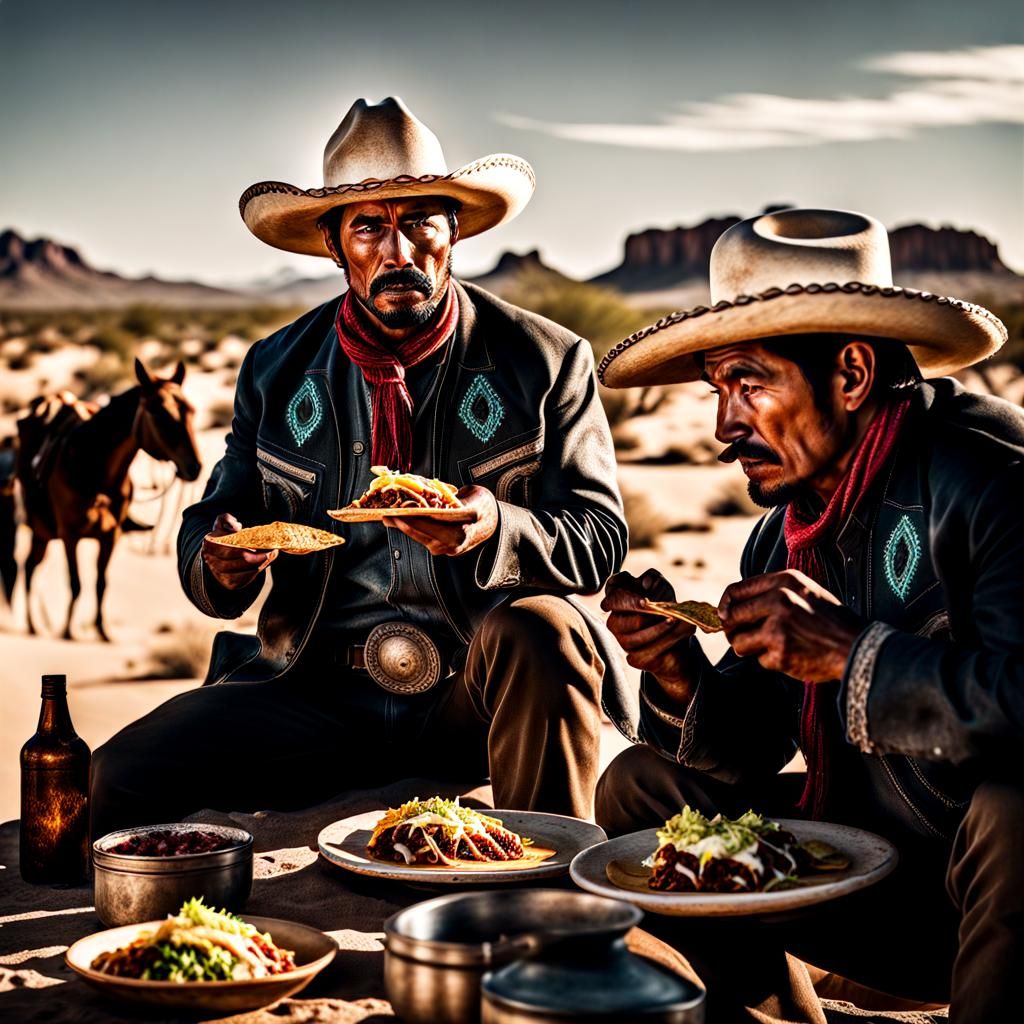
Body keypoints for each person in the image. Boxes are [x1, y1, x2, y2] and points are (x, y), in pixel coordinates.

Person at [90, 97, 629, 837]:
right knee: (116, 776)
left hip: (474, 699)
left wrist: (494, 527)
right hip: (314, 694)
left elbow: (600, 537)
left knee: (544, 628)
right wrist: (219, 560)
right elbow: (211, 521)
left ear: (455, 229)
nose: (398, 252)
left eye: (421, 222)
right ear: (335, 244)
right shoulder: (276, 370)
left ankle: (549, 880)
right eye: (370, 227)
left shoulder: (545, 360)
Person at [596, 208, 1019, 1021]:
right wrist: (679, 673)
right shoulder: (781, 533)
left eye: (751, 385)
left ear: (852, 374)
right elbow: (753, 746)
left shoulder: (991, 481)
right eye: (719, 390)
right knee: (638, 791)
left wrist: (854, 656)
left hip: (979, 898)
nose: (725, 426)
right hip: (852, 874)